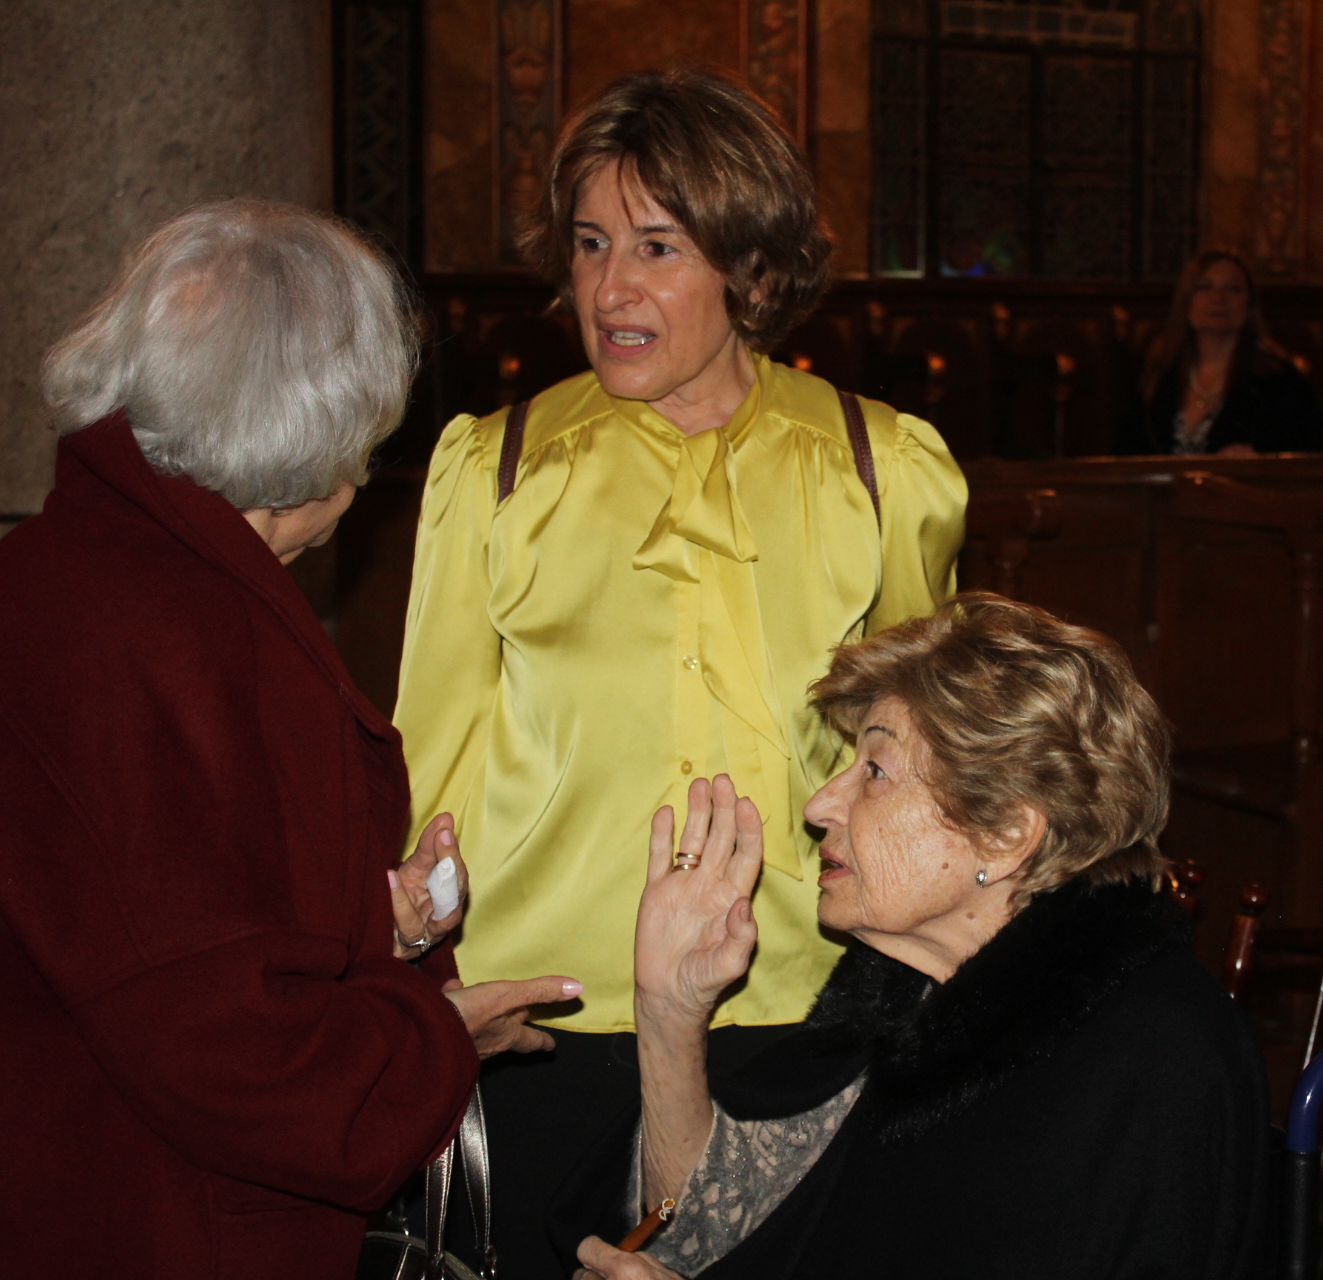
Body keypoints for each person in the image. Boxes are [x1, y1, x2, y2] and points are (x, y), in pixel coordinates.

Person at [393, 69, 967, 1276]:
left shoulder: (882, 469)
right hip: (545, 1015)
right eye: (590, 243)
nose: (610, 289)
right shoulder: (495, 471)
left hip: (801, 1004)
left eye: (656, 246)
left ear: (747, 267)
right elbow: (430, 763)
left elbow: (926, 771)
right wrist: (411, 970)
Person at [0, 200, 580, 1279]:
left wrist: (371, 923)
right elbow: (230, 1050)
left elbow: (148, 916)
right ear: (326, 436)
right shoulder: (183, 636)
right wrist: (434, 1041)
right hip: (134, 1217)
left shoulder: (49, 571)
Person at [562, 594, 1271, 1280]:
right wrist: (669, 1010)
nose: (820, 806)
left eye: (875, 770)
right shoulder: (912, 998)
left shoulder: (1147, 1063)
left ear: (1006, 832)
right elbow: (711, 1222)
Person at [1120, 249, 1323, 456]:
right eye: (1204, 287)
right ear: (1186, 301)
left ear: (1249, 304)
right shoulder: (1158, 371)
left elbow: (1320, 453)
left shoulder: (1278, 380)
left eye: (1233, 289)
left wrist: (1261, 460)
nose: (1218, 298)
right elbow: (1125, 453)